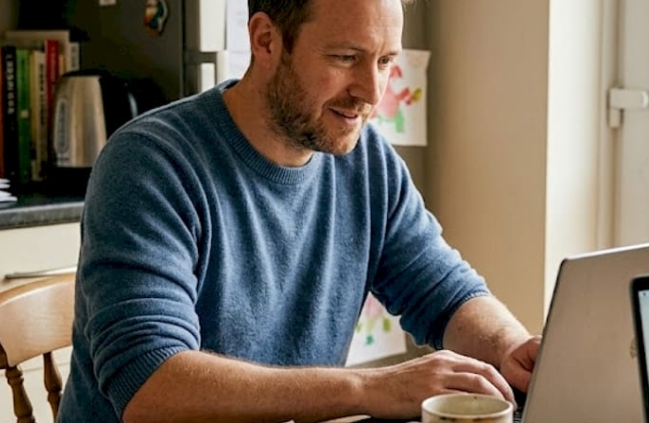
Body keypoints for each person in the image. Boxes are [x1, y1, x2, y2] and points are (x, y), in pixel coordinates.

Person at [57, 0, 542, 422]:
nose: (372, 93)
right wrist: (372, 389)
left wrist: (511, 348)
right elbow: (150, 387)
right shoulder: (149, 164)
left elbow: (444, 291)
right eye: (346, 58)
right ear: (266, 40)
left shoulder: (367, 161)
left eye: (385, 61)